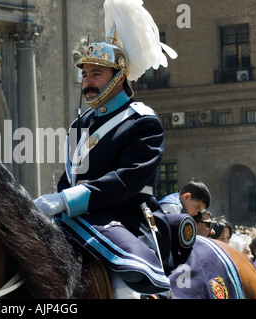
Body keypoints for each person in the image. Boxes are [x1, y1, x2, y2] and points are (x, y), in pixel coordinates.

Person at [35, 0, 178, 298]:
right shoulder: (80, 124)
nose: (87, 82)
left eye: (96, 74)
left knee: (125, 286)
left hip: (126, 217)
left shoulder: (142, 122)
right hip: (79, 218)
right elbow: (72, 178)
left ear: (119, 78)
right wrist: (56, 199)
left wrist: (66, 199)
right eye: (85, 74)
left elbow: (128, 180)